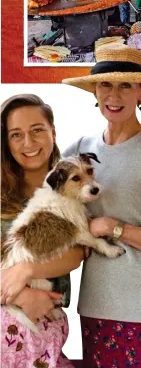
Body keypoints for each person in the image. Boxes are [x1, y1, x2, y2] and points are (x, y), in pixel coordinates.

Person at [62, 47, 141, 368]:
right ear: (95, 89)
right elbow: (36, 191)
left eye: (125, 85)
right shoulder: (79, 148)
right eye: (106, 84)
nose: (114, 95)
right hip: (96, 304)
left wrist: (113, 227)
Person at [1, 94, 84, 368]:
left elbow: (77, 251)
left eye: (37, 130)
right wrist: (20, 295)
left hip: (48, 325)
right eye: (16, 135)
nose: (28, 143)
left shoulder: (73, 185)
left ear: (53, 132)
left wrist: (28, 269)